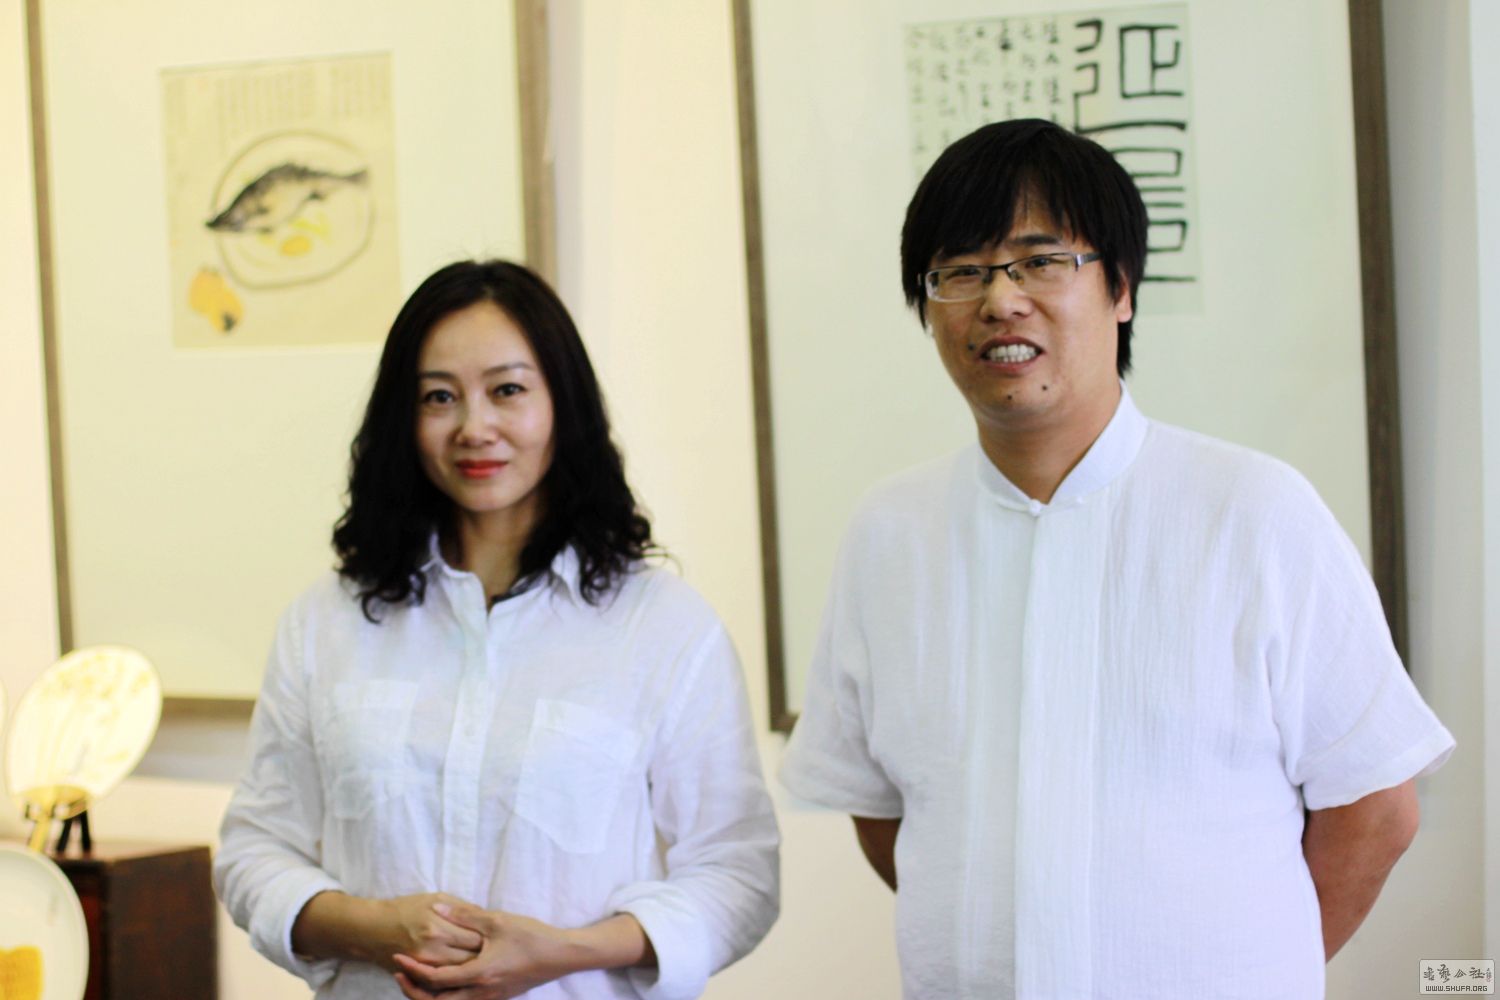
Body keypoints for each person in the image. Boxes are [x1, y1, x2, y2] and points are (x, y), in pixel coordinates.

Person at [779, 119, 1453, 999]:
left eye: (1040, 261)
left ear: (1122, 289)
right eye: (961, 272)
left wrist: (1253, 968)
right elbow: (881, 808)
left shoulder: (1254, 512)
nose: (1000, 300)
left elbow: (1376, 807)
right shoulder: (889, 533)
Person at [215, 260, 779, 1000]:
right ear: (403, 419)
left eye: (507, 390)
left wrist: (565, 951)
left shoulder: (665, 627)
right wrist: (374, 928)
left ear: (562, 403)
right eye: (439, 397)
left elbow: (739, 875)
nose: (474, 428)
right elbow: (254, 849)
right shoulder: (327, 621)